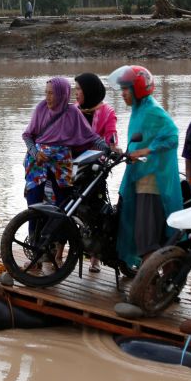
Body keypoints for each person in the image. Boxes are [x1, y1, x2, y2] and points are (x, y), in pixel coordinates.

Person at [109, 65, 183, 270]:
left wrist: (146, 151)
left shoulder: (153, 111)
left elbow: (172, 136)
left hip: (152, 182)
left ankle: (150, 290)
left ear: (138, 89)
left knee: (146, 239)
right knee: (147, 236)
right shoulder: (139, 111)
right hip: (141, 178)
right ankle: (163, 283)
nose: (123, 94)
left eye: (126, 89)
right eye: (122, 89)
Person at [21, 77, 108, 208]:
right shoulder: (41, 108)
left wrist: (107, 149)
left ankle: (60, 227)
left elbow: (91, 137)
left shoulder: (73, 112)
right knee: (35, 202)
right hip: (38, 161)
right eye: (46, 93)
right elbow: (27, 136)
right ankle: (34, 228)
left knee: (63, 203)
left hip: (61, 163)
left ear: (62, 94)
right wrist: (35, 153)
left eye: (51, 93)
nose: (47, 97)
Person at [74, 72, 118, 272]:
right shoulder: (73, 111)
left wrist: (109, 150)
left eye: (79, 89)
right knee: (68, 208)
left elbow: (111, 141)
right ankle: (59, 251)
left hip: (94, 170)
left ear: (89, 91)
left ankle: (95, 257)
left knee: (94, 211)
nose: (76, 94)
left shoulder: (107, 112)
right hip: (71, 167)